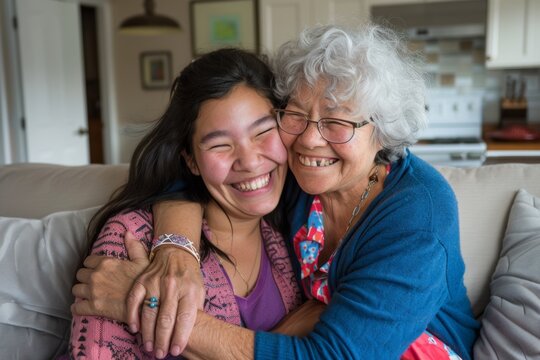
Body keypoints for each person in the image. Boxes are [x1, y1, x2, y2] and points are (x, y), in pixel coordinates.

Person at [73, 23, 480, 359]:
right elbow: (196, 177)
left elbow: (336, 356)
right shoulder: (297, 180)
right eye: (296, 115)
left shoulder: (418, 214)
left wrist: (145, 298)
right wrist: (176, 248)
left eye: (337, 122)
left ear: (382, 130)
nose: (309, 141)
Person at [66, 48, 305, 359]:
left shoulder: (293, 231)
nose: (249, 161)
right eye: (220, 145)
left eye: (263, 131)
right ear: (191, 160)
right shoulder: (131, 238)